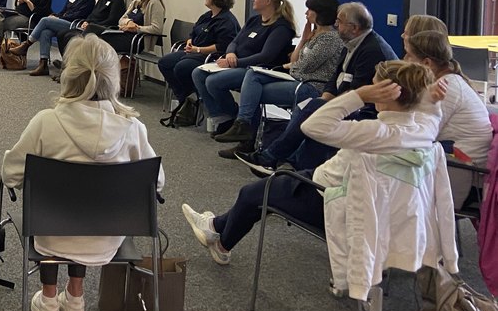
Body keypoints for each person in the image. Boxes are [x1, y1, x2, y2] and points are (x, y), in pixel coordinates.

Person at [182, 60, 444, 266]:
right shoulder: (424, 131)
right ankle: (214, 227)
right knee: (271, 188)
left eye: (374, 87)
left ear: (387, 94)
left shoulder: (372, 133)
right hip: (383, 211)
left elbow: (312, 126)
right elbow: (433, 116)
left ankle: (221, 243)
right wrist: (429, 99)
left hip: (330, 200)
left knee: (251, 194)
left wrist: (358, 96)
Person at [1, 34, 164, 311]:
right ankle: (75, 299)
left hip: (52, 233)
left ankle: (49, 301)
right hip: (108, 236)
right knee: (86, 206)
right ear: (112, 79)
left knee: (59, 211)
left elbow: (10, 175)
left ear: (70, 75)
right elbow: (156, 183)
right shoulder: (133, 129)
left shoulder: (45, 122)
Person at [236, 2, 398, 175]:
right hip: (345, 100)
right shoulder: (352, 43)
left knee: (315, 110)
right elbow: (336, 77)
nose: (336, 24)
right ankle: (287, 164)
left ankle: (274, 159)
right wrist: (325, 99)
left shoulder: (371, 50)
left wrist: (328, 106)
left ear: (354, 28)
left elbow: (358, 91)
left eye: (340, 22)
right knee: (313, 107)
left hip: (368, 110)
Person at [212, 0, 343, 151]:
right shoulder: (315, 36)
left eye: (310, 10)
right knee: (253, 74)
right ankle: (243, 126)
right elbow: (296, 60)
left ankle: (246, 135)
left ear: (319, 13)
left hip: (311, 86)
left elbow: (303, 67)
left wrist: (289, 66)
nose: (306, 13)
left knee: (253, 93)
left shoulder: (329, 39)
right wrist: (303, 40)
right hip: (297, 79)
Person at [191, 0, 296, 137]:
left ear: (268, 1)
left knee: (213, 82)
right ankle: (224, 118)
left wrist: (236, 62)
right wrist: (230, 54)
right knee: (198, 74)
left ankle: (236, 120)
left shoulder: (281, 27)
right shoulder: (254, 20)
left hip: (258, 70)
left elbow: (266, 56)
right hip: (236, 63)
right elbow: (234, 41)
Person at [405, 29, 492, 208]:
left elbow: (421, 134)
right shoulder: (450, 81)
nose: (405, 61)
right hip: (459, 165)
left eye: (409, 56)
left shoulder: (446, 88)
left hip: (464, 174)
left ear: (427, 63)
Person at [158, 0, 241, 105]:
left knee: (181, 67)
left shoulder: (227, 21)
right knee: (164, 62)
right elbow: (194, 32)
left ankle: (190, 98)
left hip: (209, 56)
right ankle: (185, 97)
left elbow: (222, 46)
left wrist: (198, 49)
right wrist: (190, 41)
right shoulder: (207, 16)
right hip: (193, 52)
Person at [9, 0, 97, 76]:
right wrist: (56, 15)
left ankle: (26, 45)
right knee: (45, 32)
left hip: (73, 24)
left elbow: (78, 15)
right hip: (63, 20)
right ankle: (43, 64)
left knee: (45, 20)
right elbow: (64, 10)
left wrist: (59, 18)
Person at [51, 0, 128, 74]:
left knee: (73, 37)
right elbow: (93, 14)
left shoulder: (118, 1)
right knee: (62, 34)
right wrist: (86, 21)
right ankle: (67, 64)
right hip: (91, 27)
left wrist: (92, 25)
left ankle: (73, 67)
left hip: (102, 30)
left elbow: (112, 20)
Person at [89, 0, 165, 58]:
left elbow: (157, 28)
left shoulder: (155, 3)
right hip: (124, 34)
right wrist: (129, 22)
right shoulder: (136, 3)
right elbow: (121, 20)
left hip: (136, 40)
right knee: (91, 29)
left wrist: (136, 28)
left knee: (95, 37)